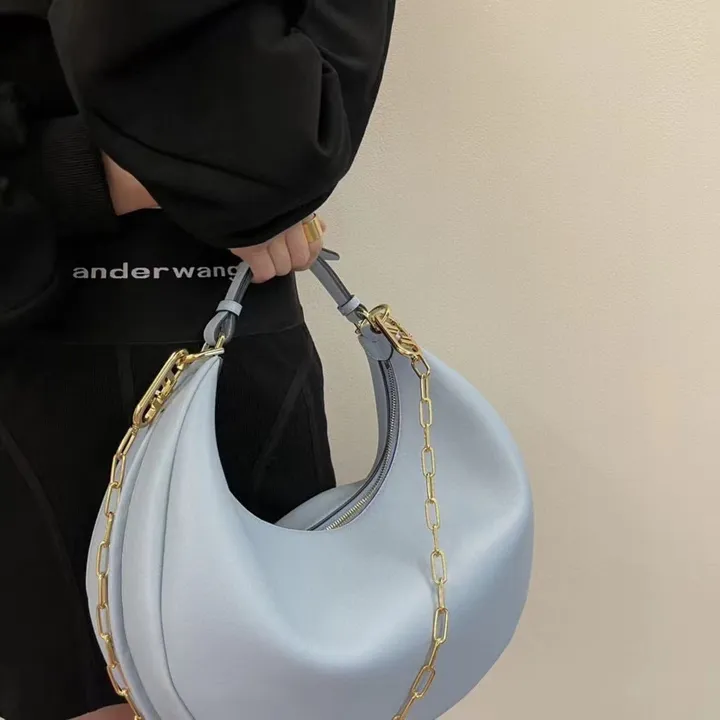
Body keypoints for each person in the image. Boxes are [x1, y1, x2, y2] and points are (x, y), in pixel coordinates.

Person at [0, 1, 395, 719]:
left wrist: (103, 170)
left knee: (271, 691)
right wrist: (132, 177)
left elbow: (293, 144)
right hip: (44, 362)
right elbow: (269, 157)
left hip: (236, 360)